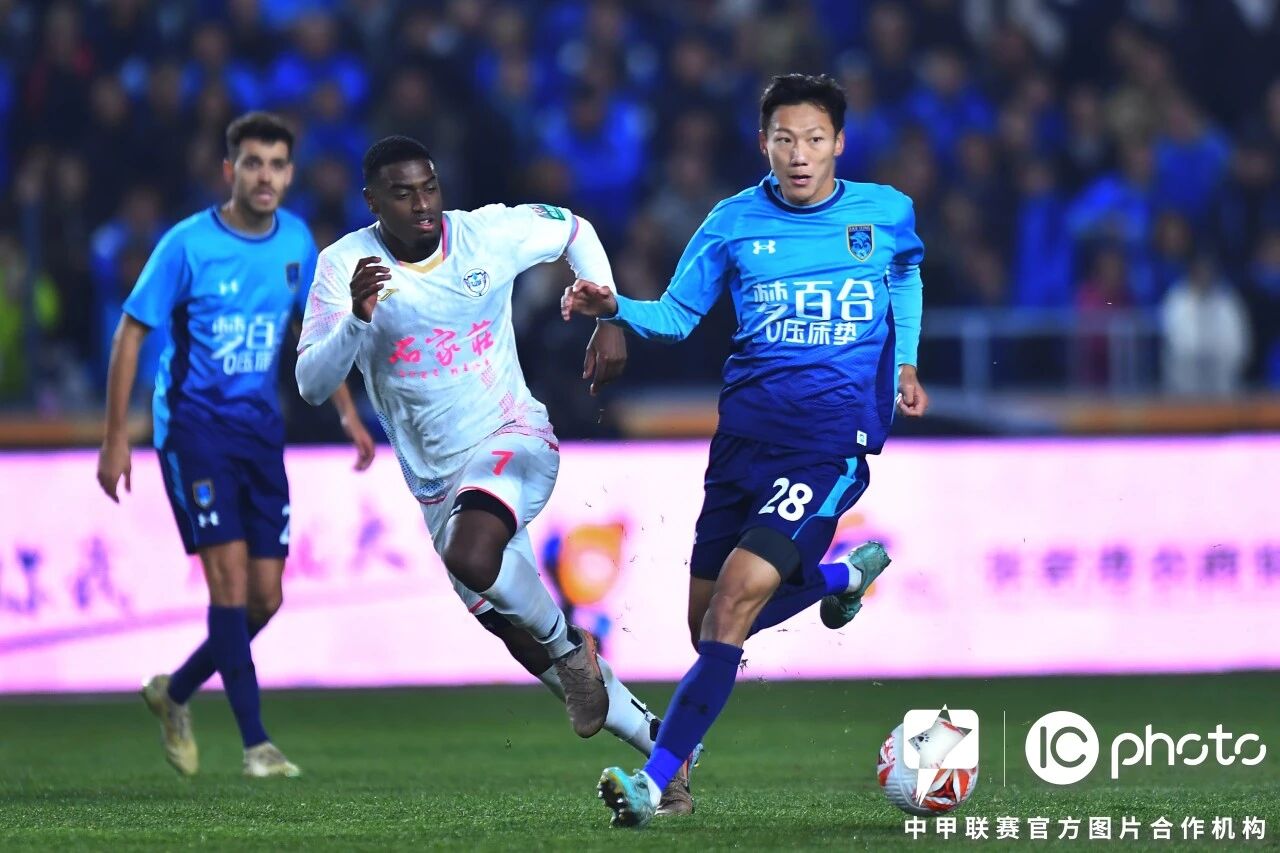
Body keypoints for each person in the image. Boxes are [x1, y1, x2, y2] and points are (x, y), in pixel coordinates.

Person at [562, 73, 929, 828]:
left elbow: (905, 272)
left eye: (815, 139)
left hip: (827, 446)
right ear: (763, 143)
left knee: (733, 603)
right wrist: (616, 307)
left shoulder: (885, 212)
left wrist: (906, 362)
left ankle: (655, 783)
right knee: (708, 626)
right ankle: (842, 576)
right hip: (741, 444)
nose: (800, 154)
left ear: (839, 143)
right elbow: (675, 316)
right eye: (785, 139)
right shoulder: (731, 223)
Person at [295, 135, 698, 814]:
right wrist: (357, 321)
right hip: (438, 487)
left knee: (478, 560)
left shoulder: (487, 234)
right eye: (403, 193)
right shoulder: (344, 266)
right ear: (372, 202)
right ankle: (668, 754)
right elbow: (311, 384)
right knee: (519, 635)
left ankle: (571, 647)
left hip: (514, 439)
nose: (422, 203)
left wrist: (608, 317)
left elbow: (576, 230)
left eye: (429, 187)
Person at [96, 112, 376, 779]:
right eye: (253, 163)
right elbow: (131, 332)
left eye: (277, 164)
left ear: (290, 173)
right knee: (225, 582)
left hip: (259, 432)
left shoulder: (298, 241)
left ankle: (175, 691)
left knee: (265, 598)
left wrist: (347, 411)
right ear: (230, 171)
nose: (265, 176)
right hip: (193, 430)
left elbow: (312, 331)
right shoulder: (187, 245)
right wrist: (115, 437)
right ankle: (257, 744)